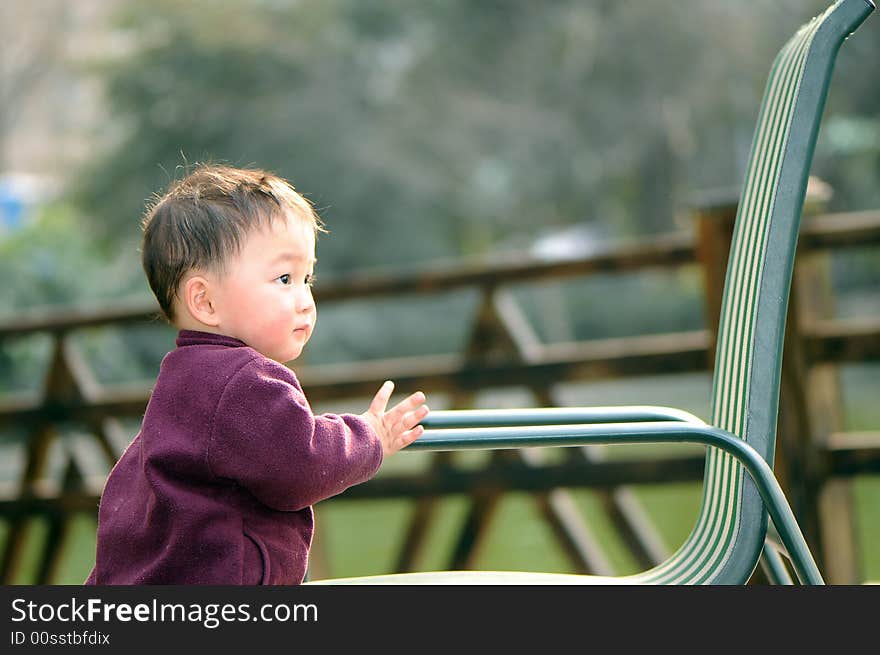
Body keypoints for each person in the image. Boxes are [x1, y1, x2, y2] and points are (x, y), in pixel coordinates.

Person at [84, 164, 429, 585]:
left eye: (308, 278)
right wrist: (371, 436)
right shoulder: (244, 380)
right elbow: (304, 463)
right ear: (205, 302)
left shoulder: (182, 381)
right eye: (284, 278)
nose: (305, 300)